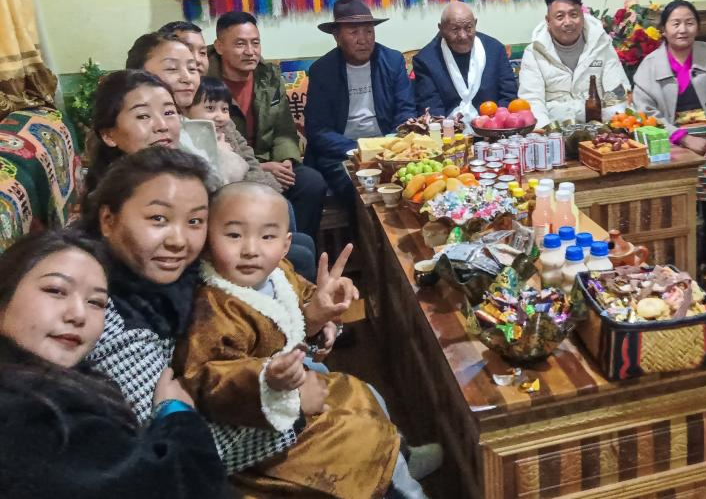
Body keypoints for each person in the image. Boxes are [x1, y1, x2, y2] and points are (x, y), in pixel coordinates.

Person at [174, 183, 438, 497]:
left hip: (296, 393)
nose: (251, 249)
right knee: (358, 437)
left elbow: (303, 301)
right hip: (261, 432)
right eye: (234, 235)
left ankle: (399, 458)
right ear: (206, 241)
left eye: (267, 236)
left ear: (285, 245)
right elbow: (207, 377)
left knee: (367, 394)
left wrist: (321, 313)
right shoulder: (212, 307)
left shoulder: (278, 273)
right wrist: (267, 378)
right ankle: (400, 484)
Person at [80, 147, 300, 476]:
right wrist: (295, 408)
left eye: (194, 221)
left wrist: (315, 318)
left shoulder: (185, 274)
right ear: (108, 220)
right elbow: (172, 459)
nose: (179, 241)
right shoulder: (111, 323)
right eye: (158, 219)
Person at [0, 230, 228, 498]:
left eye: (96, 302)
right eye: (56, 290)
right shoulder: (30, 417)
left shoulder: (61, 384)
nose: (79, 314)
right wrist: (178, 415)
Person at [87, 70, 316, 280]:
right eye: (143, 116)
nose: (162, 125)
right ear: (108, 134)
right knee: (297, 255)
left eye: (169, 112)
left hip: (201, 258)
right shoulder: (119, 191)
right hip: (186, 274)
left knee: (298, 241)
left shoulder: (178, 169)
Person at [631, 0, 706, 263]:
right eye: (675, 23)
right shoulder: (649, 66)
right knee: (682, 173)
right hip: (675, 139)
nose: (682, 29)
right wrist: (684, 138)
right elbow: (645, 114)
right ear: (663, 29)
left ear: (698, 27)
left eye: (689, 22)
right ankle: (695, 249)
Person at [208, 11, 327, 241]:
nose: (250, 51)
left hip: (271, 159)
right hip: (233, 168)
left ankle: (295, 248)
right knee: (262, 191)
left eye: (255, 43)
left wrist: (286, 160)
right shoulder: (205, 83)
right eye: (240, 44)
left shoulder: (268, 75)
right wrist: (261, 167)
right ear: (219, 46)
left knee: (311, 182)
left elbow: (284, 127)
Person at [304, 0, 417, 205]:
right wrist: (359, 149)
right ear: (337, 36)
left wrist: (390, 145)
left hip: (388, 148)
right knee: (360, 189)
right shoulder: (322, 71)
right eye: (354, 32)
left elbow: (406, 111)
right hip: (343, 153)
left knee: (412, 181)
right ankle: (361, 227)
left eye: (369, 31)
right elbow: (318, 130)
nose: (363, 39)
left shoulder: (392, 60)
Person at [518, 0, 630, 128]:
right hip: (554, 131)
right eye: (560, 16)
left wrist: (611, 130)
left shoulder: (602, 45)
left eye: (574, 14)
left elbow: (617, 93)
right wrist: (548, 133)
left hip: (600, 130)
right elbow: (532, 100)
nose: (568, 22)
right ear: (548, 20)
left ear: (582, 16)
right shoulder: (534, 52)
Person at [126, 32, 221, 186]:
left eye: (192, 69)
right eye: (172, 69)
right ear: (139, 73)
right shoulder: (140, 130)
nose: (187, 78)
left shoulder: (201, 116)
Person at [412, 1, 518, 120]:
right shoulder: (426, 60)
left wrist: (495, 123)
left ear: (475, 24)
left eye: (468, 28)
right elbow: (431, 108)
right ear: (441, 29)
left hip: (494, 125)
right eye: (455, 29)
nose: (463, 36)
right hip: (448, 128)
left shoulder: (495, 50)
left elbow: (509, 96)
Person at [186, 76, 281, 190]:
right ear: (186, 109)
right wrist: (220, 153)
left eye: (224, 109)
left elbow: (249, 158)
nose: (220, 117)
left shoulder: (228, 128)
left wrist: (263, 187)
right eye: (210, 108)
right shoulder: (187, 140)